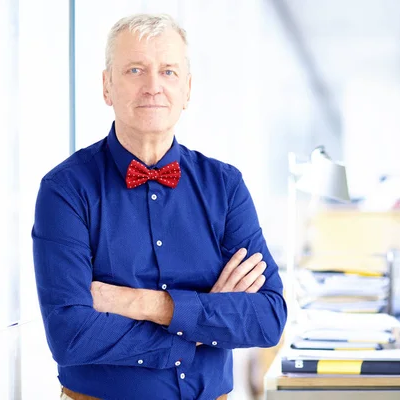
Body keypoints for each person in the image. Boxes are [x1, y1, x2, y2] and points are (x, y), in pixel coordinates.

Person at [32, 13, 287, 400]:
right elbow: (71, 334)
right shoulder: (64, 191)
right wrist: (199, 328)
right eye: (135, 70)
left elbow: (268, 318)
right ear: (107, 86)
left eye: (168, 72)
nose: (153, 87)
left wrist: (141, 303)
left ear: (187, 89)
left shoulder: (226, 186)